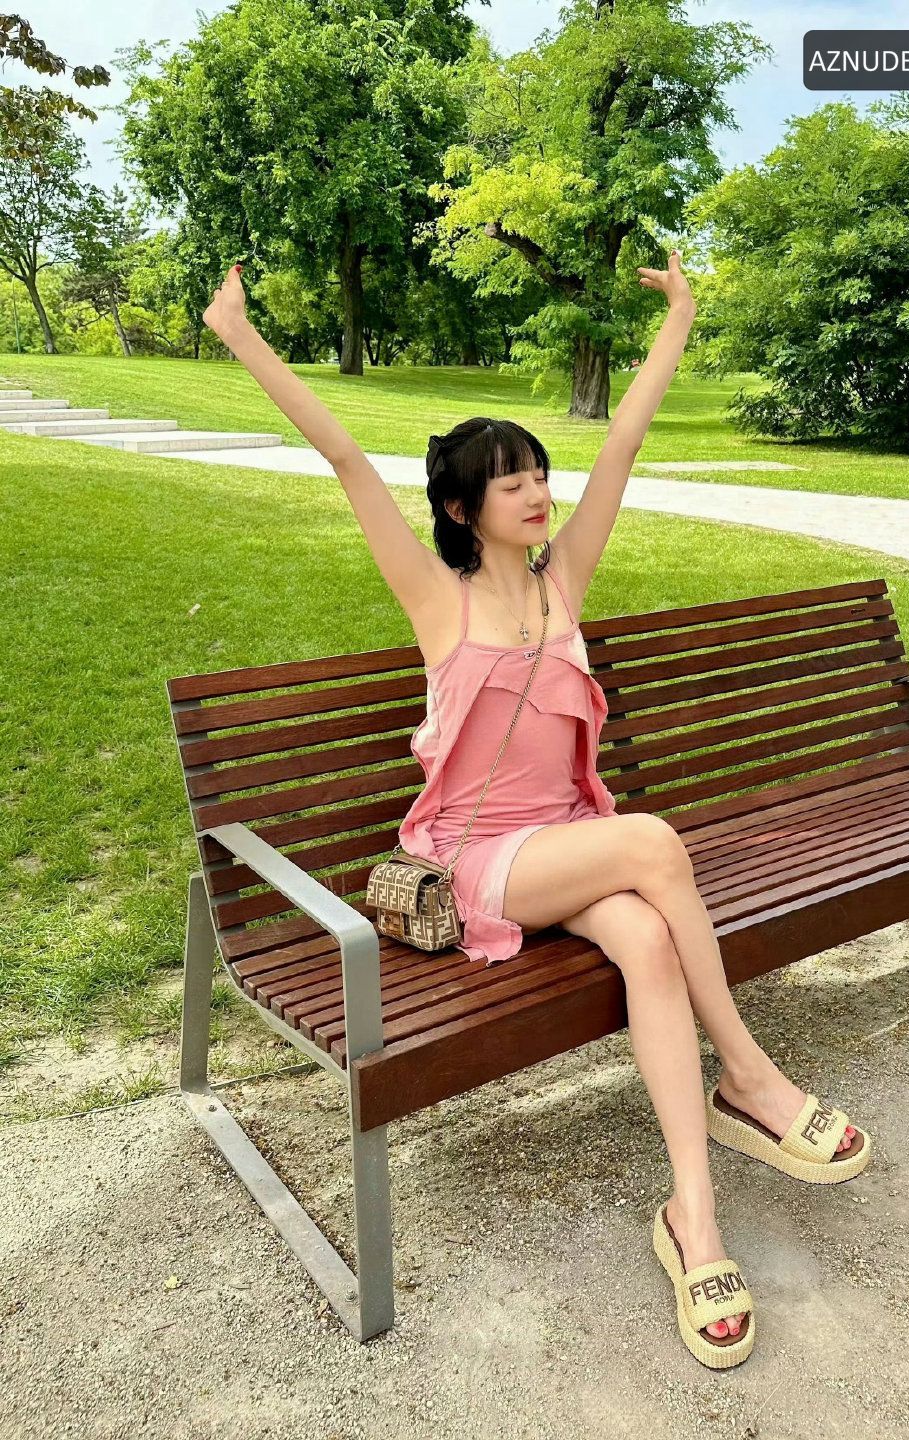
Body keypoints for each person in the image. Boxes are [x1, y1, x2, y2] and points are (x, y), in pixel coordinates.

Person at [202, 252, 868, 1369]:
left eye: (537, 473)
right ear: (463, 507)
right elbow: (345, 457)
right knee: (653, 841)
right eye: (509, 481)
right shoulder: (438, 597)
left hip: (569, 849)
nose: (535, 490)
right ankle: (750, 1077)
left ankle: (694, 1222)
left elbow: (625, 445)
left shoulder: (566, 585)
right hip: (481, 863)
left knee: (648, 937)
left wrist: (682, 316)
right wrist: (239, 333)